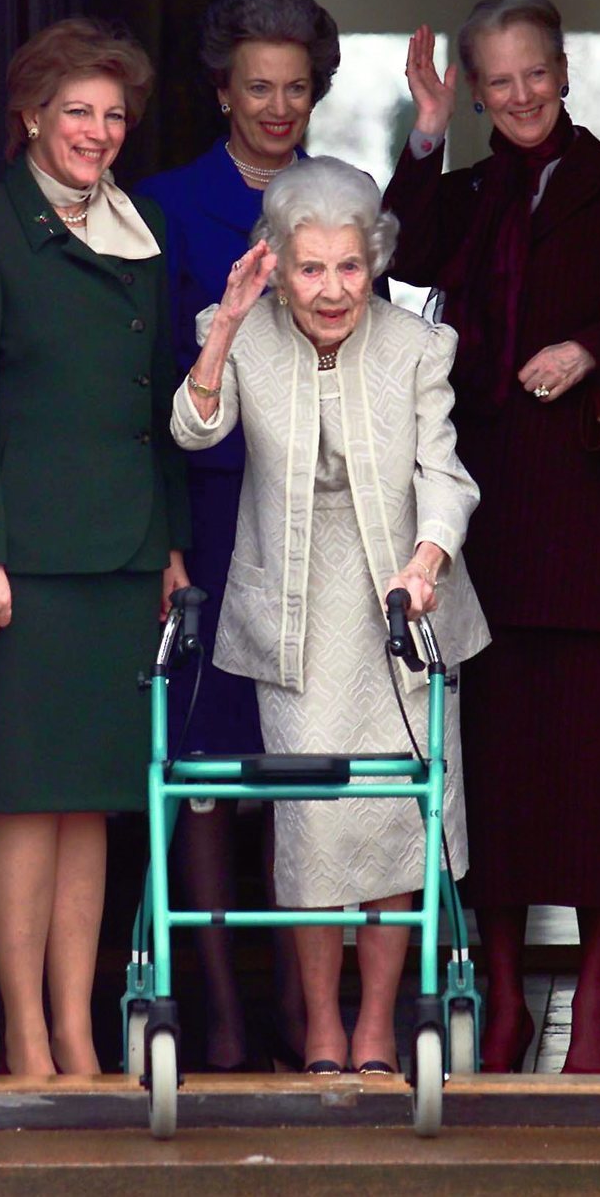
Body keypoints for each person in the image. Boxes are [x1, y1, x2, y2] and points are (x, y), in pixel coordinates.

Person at [384, 0, 600, 1074]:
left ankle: (594, 991)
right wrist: (424, 133)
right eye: (495, 79)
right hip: (484, 513)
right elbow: (403, 255)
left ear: (563, 72)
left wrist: (590, 346)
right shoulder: (467, 191)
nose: (520, 94)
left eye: (535, 72)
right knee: (503, 764)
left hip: (593, 507)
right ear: (475, 90)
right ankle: (505, 987)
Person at [170, 156, 489, 1075]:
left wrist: (426, 562)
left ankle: (378, 1025)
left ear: (375, 259)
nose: (333, 288)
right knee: (312, 826)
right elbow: (196, 430)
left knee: (394, 821)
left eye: (351, 266)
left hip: (401, 607)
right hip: (297, 620)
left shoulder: (418, 348)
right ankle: (318, 1025)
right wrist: (227, 326)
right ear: (276, 262)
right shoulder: (239, 337)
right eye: (310, 268)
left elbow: (447, 475)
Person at [0, 17, 190, 1077]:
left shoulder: (139, 234)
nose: (97, 131)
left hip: (124, 554)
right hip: (27, 564)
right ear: (31, 116)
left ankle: (82, 1031)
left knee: (94, 798)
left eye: (113, 115)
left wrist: (171, 546)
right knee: (22, 794)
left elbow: (153, 403)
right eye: (77, 111)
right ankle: (22, 1032)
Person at [135, 0, 340, 1071]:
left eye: (295, 89)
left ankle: (317, 1005)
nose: (276, 107)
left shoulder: (341, 199)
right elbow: (146, 384)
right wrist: (164, 533)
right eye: (256, 87)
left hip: (324, 522)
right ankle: (216, 1000)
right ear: (220, 89)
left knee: (318, 757)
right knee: (208, 772)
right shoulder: (161, 203)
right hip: (211, 513)